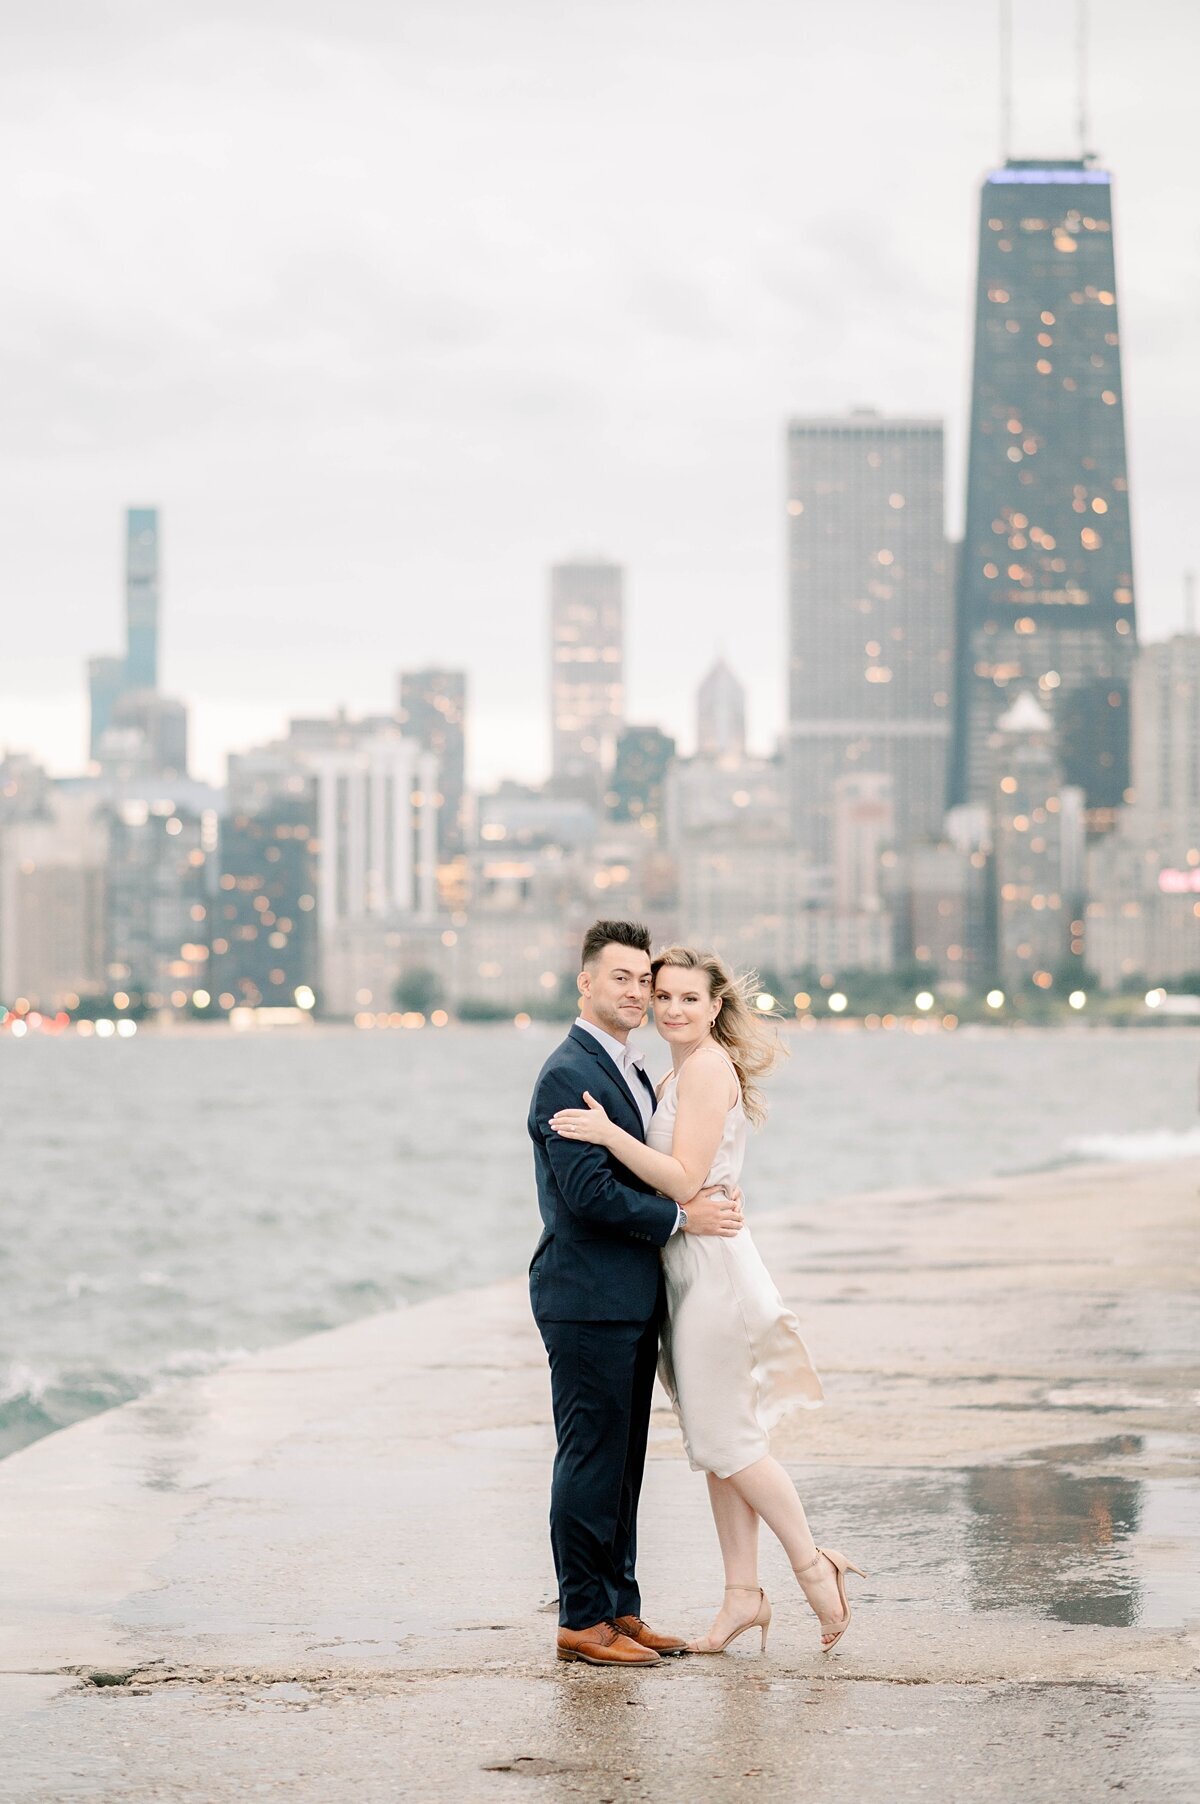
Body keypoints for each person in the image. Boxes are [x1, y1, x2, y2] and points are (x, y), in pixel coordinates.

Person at [550, 944, 865, 1655]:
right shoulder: (678, 1071)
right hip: (688, 1267)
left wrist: (603, 1134)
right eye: (662, 996)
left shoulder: (707, 1067)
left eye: (689, 998)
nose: (671, 1008)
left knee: (732, 1442)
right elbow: (702, 1172)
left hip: (712, 1271)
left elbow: (685, 1175)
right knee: (719, 1442)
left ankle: (816, 1569)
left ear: (716, 1006)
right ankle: (742, 1597)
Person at [528, 920, 745, 1667]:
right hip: (584, 1293)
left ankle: (621, 1609)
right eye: (617, 978)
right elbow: (587, 1196)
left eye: (640, 979)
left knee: (623, 1462)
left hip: (628, 1293)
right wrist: (684, 1215)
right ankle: (581, 1617)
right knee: (590, 1456)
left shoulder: (632, 1067)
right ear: (585, 983)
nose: (635, 991)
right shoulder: (568, 1071)